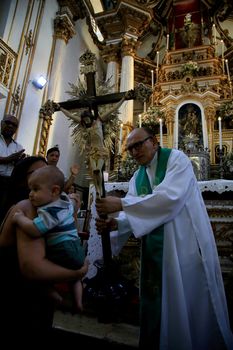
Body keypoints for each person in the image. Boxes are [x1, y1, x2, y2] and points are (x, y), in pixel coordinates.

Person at [95, 127, 233, 350]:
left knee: (185, 301)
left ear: (154, 141)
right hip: (158, 253)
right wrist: (116, 223)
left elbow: (169, 198)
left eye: (138, 145)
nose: (134, 152)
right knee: (163, 304)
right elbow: (134, 212)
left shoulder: (177, 160)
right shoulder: (137, 176)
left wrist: (120, 204)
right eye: (130, 149)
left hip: (184, 246)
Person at [0, 156, 88, 345]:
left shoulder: (40, 208)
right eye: (35, 175)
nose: (40, 178)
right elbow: (33, 268)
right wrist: (77, 272)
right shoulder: (25, 208)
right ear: (23, 179)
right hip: (21, 299)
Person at [13, 165, 86, 312]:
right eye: (30, 190)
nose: (31, 194)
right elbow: (73, 203)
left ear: (54, 191)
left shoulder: (50, 210)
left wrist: (20, 219)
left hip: (62, 248)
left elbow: (35, 229)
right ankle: (78, 303)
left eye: (35, 189)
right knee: (76, 278)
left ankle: (56, 297)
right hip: (76, 248)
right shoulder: (65, 202)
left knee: (42, 275)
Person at [0, 114, 25, 223]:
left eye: (14, 125)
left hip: (8, 184)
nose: (10, 126)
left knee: (3, 213)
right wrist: (9, 159)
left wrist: (20, 162)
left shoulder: (18, 147)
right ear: (1, 123)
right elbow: (8, 159)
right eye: (7, 122)